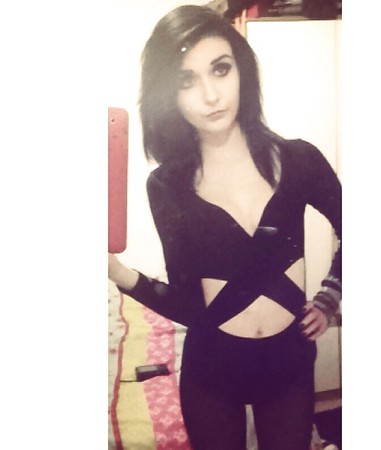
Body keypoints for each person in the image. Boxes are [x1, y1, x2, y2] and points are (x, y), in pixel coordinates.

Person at [108, 5, 341, 450]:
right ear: (167, 93)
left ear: (241, 71)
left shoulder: (299, 160)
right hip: (212, 373)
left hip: (288, 366)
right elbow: (188, 305)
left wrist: (330, 296)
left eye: (220, 69)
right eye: (186, 80)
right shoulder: (167, 186)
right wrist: (118, 273)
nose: (210, 95)